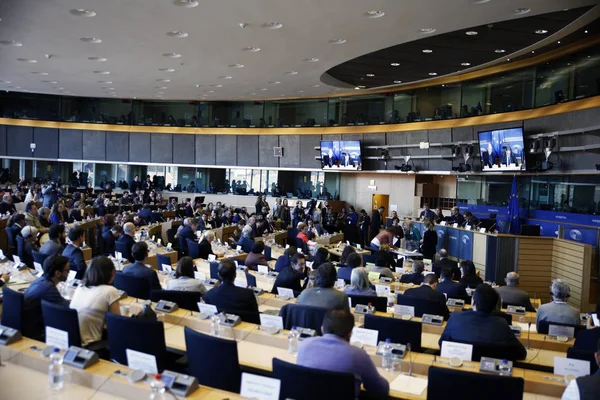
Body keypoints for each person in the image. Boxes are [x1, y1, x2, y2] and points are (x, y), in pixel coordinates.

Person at [297, 309, 389, 398]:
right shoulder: (358, 355)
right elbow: (381, 391)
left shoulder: (305, 345)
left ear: (322, 329)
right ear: (350, 334)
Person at [439, 284, 527, 360]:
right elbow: (521, 353)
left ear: (473, 303)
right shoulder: (502, 324)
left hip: (459, 372)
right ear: (495, 306)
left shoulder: (455, 317)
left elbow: (441, 344)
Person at [70, 256, 121, 347]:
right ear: (112, 272)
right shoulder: (110, 291)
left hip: (74, 343)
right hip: (92, 345)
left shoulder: (80, 287)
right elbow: (116, 325)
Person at [23, 255, 71, 338]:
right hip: (34, 330)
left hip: (26, 323)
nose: (69, 273)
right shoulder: (49, 288)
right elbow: (68, 309)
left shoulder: (40, 280)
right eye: (67, 270)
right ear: (58, 273)